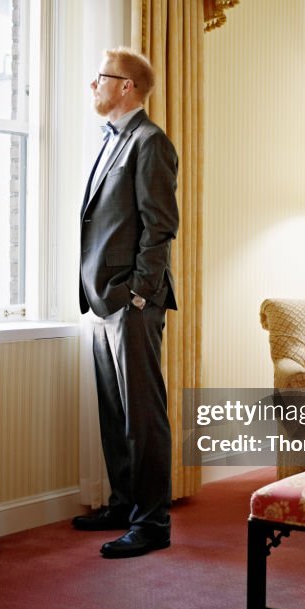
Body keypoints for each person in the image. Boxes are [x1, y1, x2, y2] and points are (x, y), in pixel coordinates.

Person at [72, 47, 179, 558]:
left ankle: (152, 523)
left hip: (131, 301)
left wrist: (138, 292)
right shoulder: (108, 140)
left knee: (143, 415)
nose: (92, 84)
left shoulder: (150, 143)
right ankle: (121, 503)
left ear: (126, 87)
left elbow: (160, 227)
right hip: (100, 300)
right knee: (115, 413)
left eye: (100, 78)